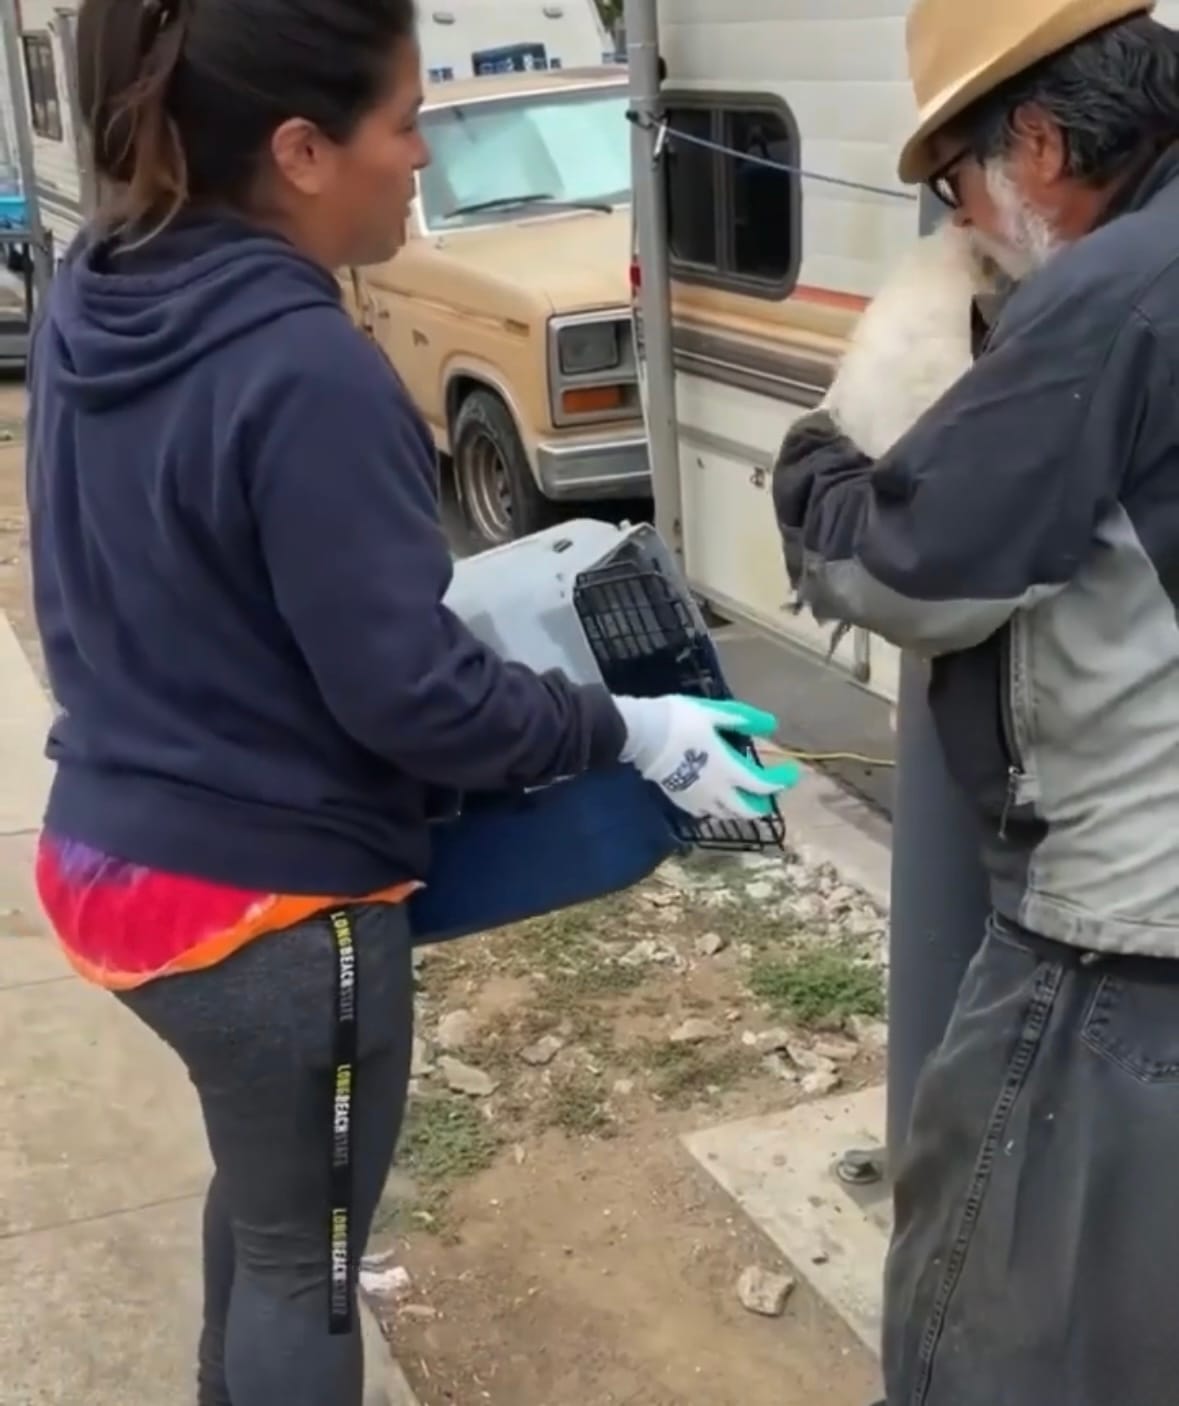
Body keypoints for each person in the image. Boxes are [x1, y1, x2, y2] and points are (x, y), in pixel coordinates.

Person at [25, 2, 797, 1403]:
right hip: (259, 913)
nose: (424, 157)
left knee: (273, 1215)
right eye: (406, 120)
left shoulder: (103, 286)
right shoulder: (308, 370)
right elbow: (415, 699)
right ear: (305, 150)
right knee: (305, 1266)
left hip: (104, 860)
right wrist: (632, 727)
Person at [772, 2, 1179, 1404]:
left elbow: (909, 568)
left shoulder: (1113, 292)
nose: (966, 229)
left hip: (1117, 954)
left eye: (957, 188)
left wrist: (820, 451)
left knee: (982, 1323)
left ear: (1045, 143)